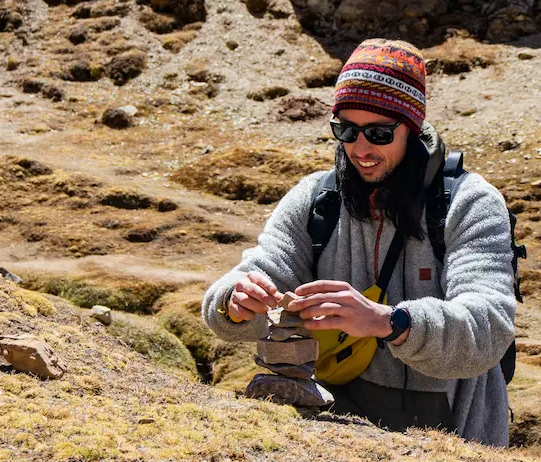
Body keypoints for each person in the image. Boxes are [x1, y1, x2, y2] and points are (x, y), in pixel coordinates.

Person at [202, 38, 516, 445]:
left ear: (413, 127)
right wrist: (234, 302)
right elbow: (249, 281)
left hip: (452, 434)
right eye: (346, 130)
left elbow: (489, 328)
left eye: (380, 132)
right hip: (331, 433)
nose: (360, 148)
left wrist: (390, 322)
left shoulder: (468, 203)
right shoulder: (316, 198)